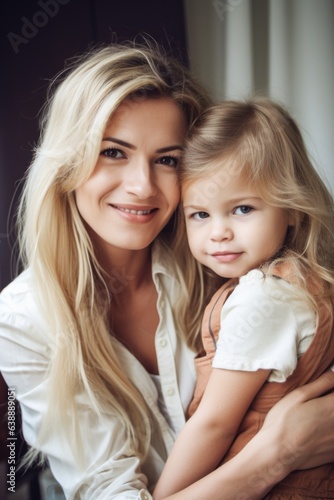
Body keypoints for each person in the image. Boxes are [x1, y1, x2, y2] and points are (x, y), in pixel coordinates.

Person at [0, 44, 333, 500]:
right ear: (67, 162)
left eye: (167, 160)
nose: (141, 186)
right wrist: (277, 455)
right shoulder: (22, 321)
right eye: (114, 152)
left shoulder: (227, 259)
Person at [153, 99, 334, 499]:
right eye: (199, 214)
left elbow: (215, 424)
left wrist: (163, 497)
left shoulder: (265, 299)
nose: (218, 232)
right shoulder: (297, 283)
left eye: (242, 209)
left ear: (292, 210)